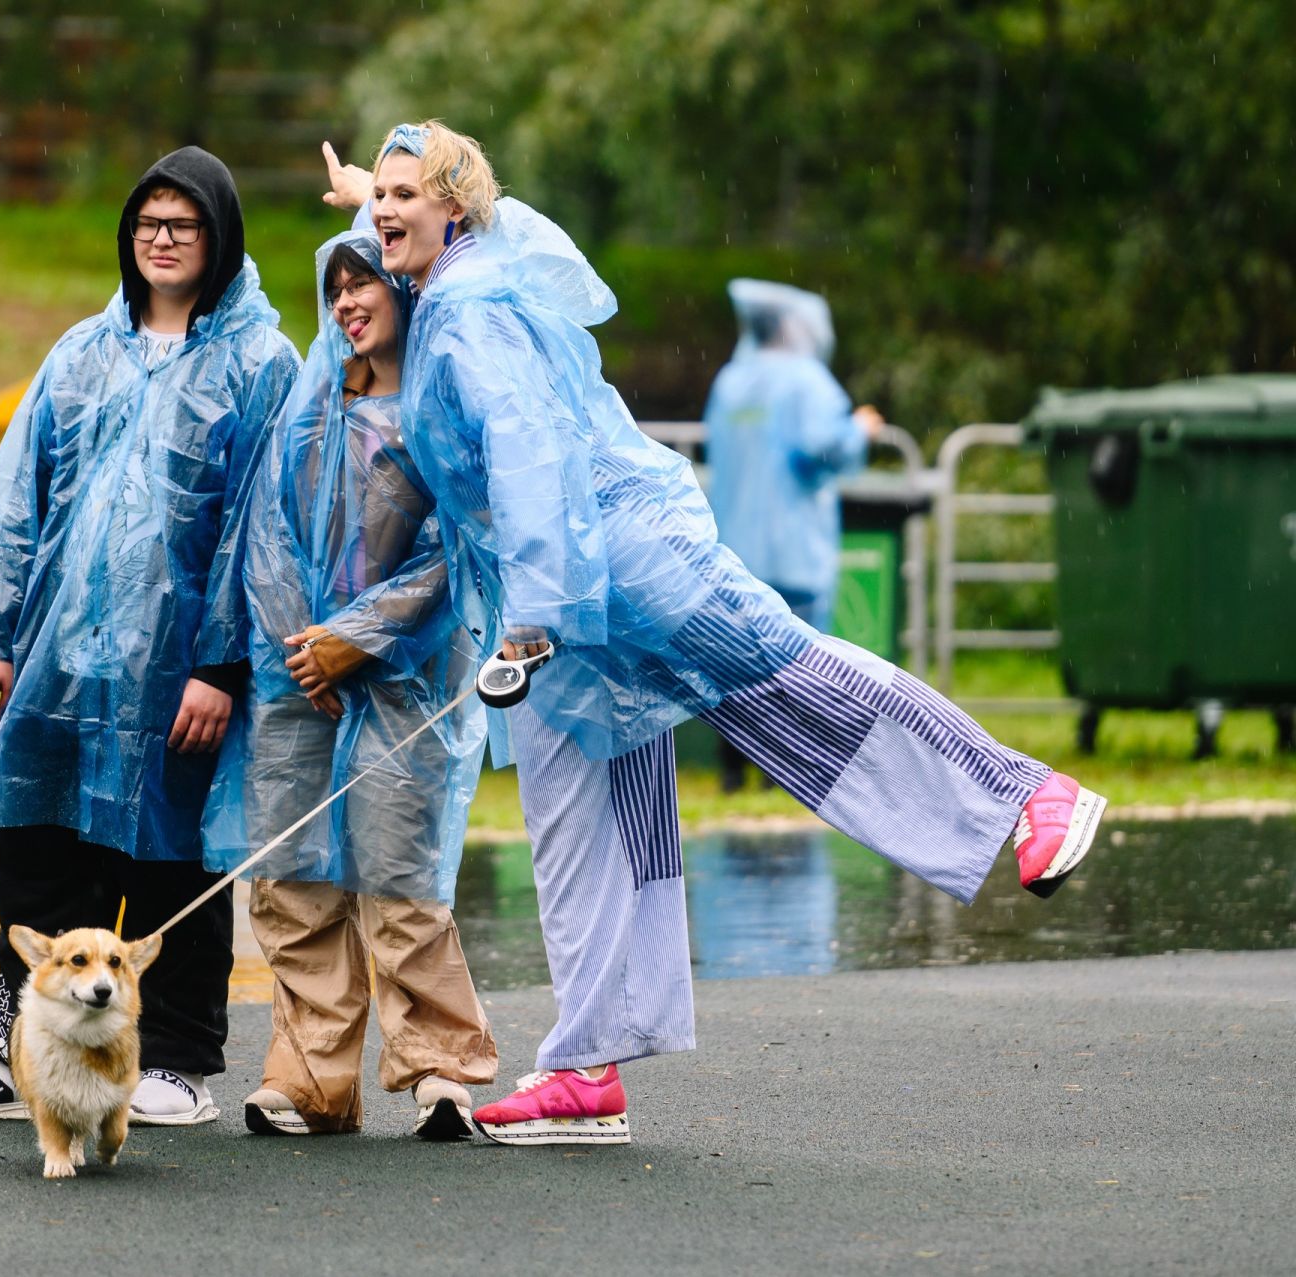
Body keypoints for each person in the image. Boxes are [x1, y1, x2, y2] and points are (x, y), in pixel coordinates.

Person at [322, 122, 1107, 1145]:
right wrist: (373, 199)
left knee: (791, 678)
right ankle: (588, 1061)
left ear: (459, 208)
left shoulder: (472, 311)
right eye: (379, 195)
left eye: (407, 193)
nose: (384, 211)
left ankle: (1028, 793)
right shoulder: (476, 272)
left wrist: (532, 619)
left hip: (620, 558)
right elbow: (525, 249)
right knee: (576, 802)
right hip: (562, 588)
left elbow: (528, 457)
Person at [0, 147, 301, 1127]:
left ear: (220, 237)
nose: (162, 240)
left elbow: (266, 528)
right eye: (148, 223)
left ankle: (174, 1057)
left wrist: (220, 663)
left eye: (184, 224)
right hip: (59, 658)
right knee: (35, 851)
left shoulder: (259, 364)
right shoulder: (82, 349)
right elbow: (17, 503)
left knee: (173, 859)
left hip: (178, 666)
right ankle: (12, 1050)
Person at [202, 229, 497, 1139]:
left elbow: (460, 550)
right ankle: (309, 1079)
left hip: (407, 674)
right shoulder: (308, 406)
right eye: (334, 288)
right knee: (290, 877)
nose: (346, 302)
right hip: (295, 672)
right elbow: (264, 532)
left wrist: (359, 640)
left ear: (406, 289)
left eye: (362, 281)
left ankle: (441, 1067)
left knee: (398, 871)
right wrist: (306, 647)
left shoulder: (441, 410)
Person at [702, 278, 885, 790]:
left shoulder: (731, 382)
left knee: (735, 659)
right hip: (793, 547)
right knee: (794, 659)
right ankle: (780, 774)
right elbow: (821, 450)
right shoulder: (806, 380)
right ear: (791, 325)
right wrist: (860, 431)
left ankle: (732, 772)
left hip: (734, 544)